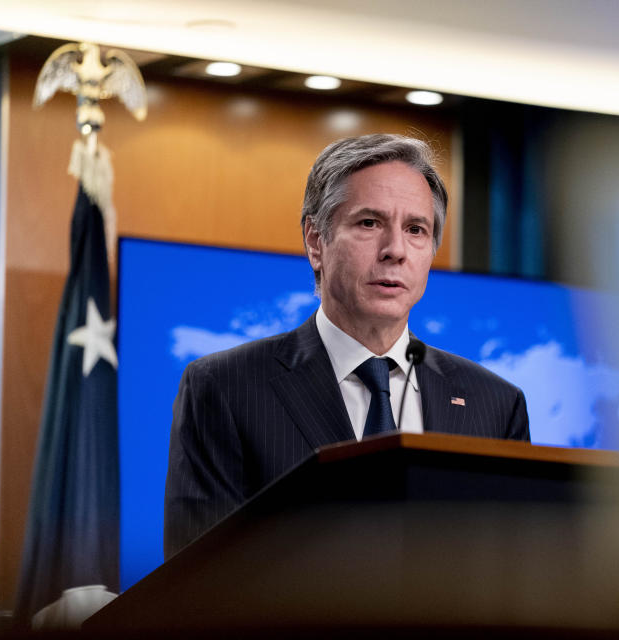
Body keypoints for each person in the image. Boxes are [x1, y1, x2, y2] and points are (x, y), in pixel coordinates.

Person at [164, 134, 529, 558]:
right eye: (369, 223)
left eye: (416, 229)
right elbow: (200, 584)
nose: (395, 251)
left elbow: (512, 577)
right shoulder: (225, 388)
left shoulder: (496, 406)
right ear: (315, 241)